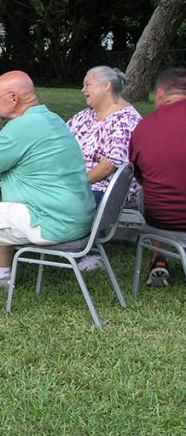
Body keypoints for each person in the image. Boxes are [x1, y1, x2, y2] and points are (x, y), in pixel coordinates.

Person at [0, 71, 95, 318]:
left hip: (51, 220)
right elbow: (7, 147)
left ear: (13, 98)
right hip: (76, 214)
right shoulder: (47, 118)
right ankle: (2, 274)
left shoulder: (24, 127)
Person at [128, 67, 186, 288]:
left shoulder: (144, 127)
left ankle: (158, 256)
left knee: (147, 191)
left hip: (163, 219)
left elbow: (139, 176)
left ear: (160, 93)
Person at [67, 66, 142, 205]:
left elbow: (110, 166)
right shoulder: (85, 116)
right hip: (77, 185)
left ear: (106, 86)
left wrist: (76, 182)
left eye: (87, 84)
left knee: (48, 203)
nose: (83, 90)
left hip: (103, 191)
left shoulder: (125, 120)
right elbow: (62, 141)